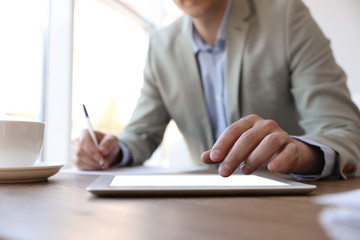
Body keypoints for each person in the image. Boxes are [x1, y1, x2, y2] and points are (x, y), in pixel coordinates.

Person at [72, 0, 360, 180]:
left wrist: (301, 153)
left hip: (288, 207)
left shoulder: (287, 16)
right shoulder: (161, 47)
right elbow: (140, 136)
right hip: (203, 210)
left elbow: (345, 131)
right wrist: (111, 150)